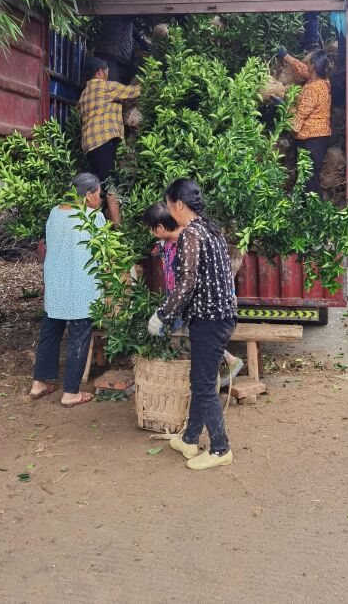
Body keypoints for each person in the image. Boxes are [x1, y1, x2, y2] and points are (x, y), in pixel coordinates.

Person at [147, 180, 237, 470]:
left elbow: (186, 284)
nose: (169, 210)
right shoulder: (211, 230)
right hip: (220, 316)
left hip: (210, 320)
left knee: (203, 385)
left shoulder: (191, 235)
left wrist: (162, 315)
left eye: (170, 205)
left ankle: (221, 449)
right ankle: (189, 439)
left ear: (179, 205)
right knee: (201, 381)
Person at [143, 201, 243, 386]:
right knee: (185, 332)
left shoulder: (191, 240)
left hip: (194, 302)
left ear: (160, 228)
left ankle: (227, 363)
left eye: (151, 229)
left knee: (188, 331)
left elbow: (218, 270)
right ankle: (224, 364)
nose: (150, 233)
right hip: (177, 299)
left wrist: (230, 292)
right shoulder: (167, 243)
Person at [29, 173, 106, 408]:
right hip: (83, 287)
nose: (101, 199)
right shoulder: (94, 217)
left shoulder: (54, 213)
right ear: (89, 195)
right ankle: (71, 392)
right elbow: (103, 254)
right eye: (100, 194)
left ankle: (38, 383)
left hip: (57, 284)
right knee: (78, 338)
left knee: (50, 332)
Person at [78, 57, 140, 225]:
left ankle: (90, 225)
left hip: (89, 144)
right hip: (102, 141)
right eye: (107, 72)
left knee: (98, 183)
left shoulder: (84, 93)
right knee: (111, 183)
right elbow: (133, 92)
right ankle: (117, 229)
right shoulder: (106, 87)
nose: (108, 75)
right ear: (100, 72)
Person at [277, 47, 332, 197]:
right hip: (317, 138)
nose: (305, 65)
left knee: (309, 180)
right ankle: (306, 212)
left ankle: (316, 215)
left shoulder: (313, 89)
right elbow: (302, 70)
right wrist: (286, 56)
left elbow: (299, 116)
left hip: (310, 140)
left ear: (313, 66)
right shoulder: (321, 80)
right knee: (306, 177)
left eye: (308, 63)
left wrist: (281, 108)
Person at [94, 15, 151, 84]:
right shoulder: (121, 14)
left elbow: (135, 33)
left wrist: (145, 45)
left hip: (112, 56)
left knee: (113, 83)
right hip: (111, 55)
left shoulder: (124, 21)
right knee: (110, 84)